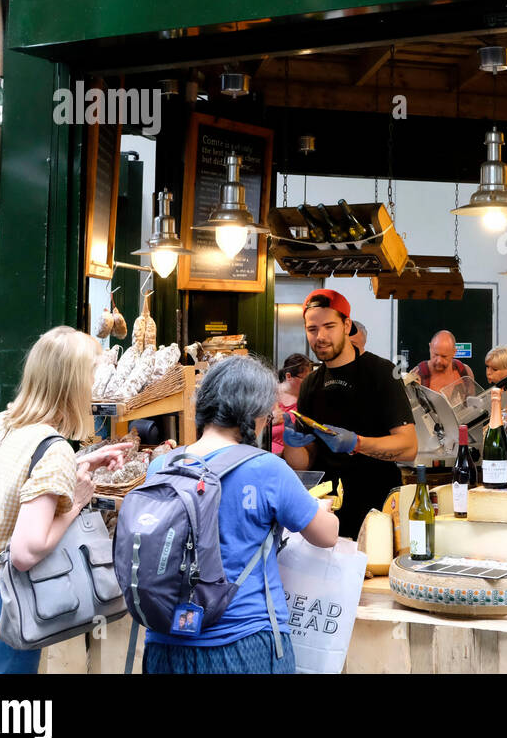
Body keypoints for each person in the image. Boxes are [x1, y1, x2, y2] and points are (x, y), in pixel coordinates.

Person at [0, 326, 129, 674]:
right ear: (74, 384)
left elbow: (11, 480)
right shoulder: (53, 449)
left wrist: (80, 463)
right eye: (94, 374)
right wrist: (77, 502)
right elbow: (25, 552)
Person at [143, 355, 341, 674]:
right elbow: (326, 536)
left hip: (164, 643)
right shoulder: (266, 469)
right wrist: (319, 508)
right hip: (244, 643)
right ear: (256, 414)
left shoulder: (162, 466)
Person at [283, 289, 417, 537]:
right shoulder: (311, 383)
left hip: (377, 512)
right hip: (327, 513)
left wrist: (358, 443)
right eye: (312, 329)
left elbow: (409, 447)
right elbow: (305, 461)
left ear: (346, 325)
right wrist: (290, 445)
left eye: (329, 326)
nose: (320, 337)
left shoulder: (382, 373)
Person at [270, 353, 312, 454]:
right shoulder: (268, 393)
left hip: (290, 458)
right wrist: (269, 421)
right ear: (288, 376)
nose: (309, 383)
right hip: (263, 453)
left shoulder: (306, 401)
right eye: (305, 379)